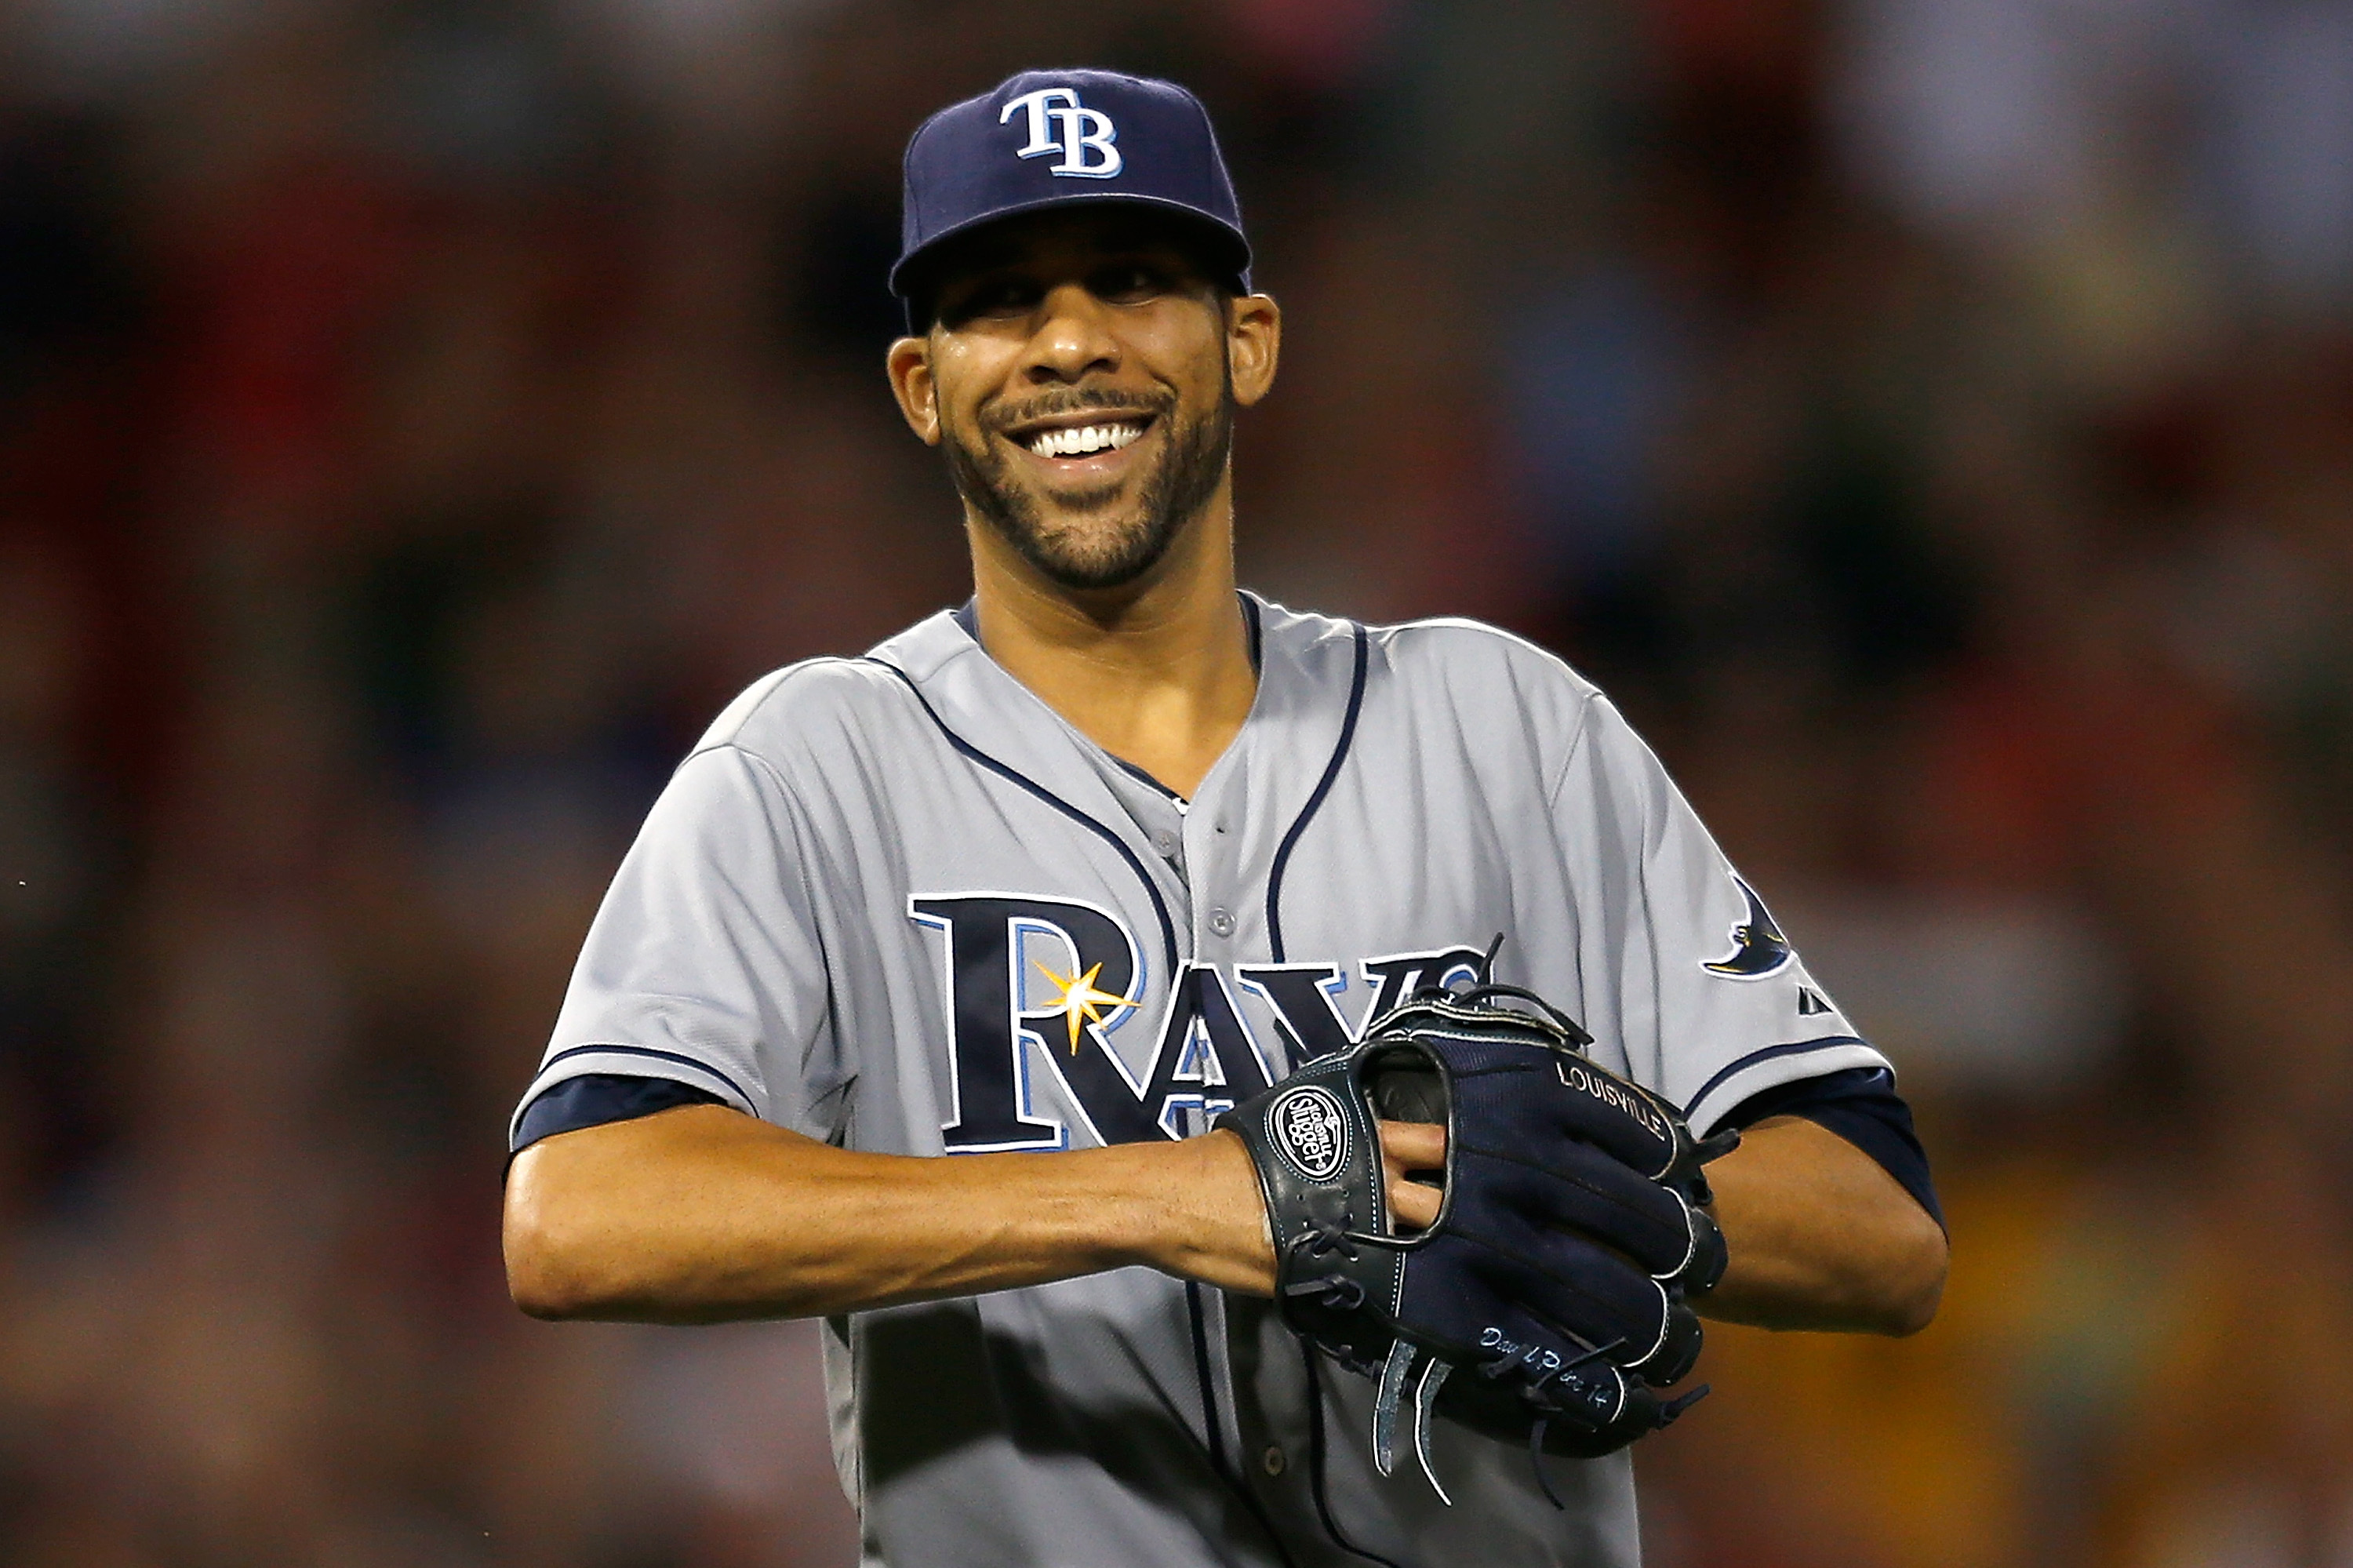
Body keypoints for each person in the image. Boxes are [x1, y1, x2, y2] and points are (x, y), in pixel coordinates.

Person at [501, 68, 1948, 1568]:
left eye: (1136, 282)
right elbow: (581, 1213)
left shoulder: (1505, 727)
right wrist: (1176, 1194)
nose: (1070, 343)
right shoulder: (816, 763)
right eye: (1000, 300)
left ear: (1246, 343)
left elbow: (1884, 1228)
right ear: (921, 386)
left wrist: (1559, 1191)